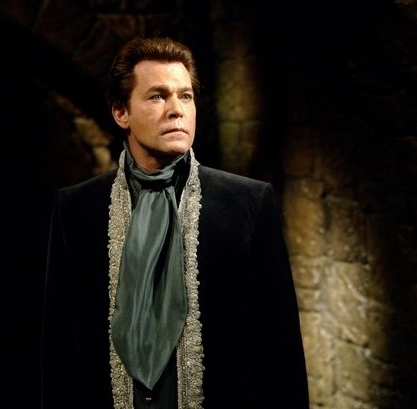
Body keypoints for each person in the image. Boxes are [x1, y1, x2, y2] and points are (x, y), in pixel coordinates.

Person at [41, 36, 309, 409]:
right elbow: (60, 351)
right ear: (121, 113)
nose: (176, 110)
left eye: (185, 96)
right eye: (157, 96)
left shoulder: (248, 203)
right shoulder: (76, 208)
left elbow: (279, 351)